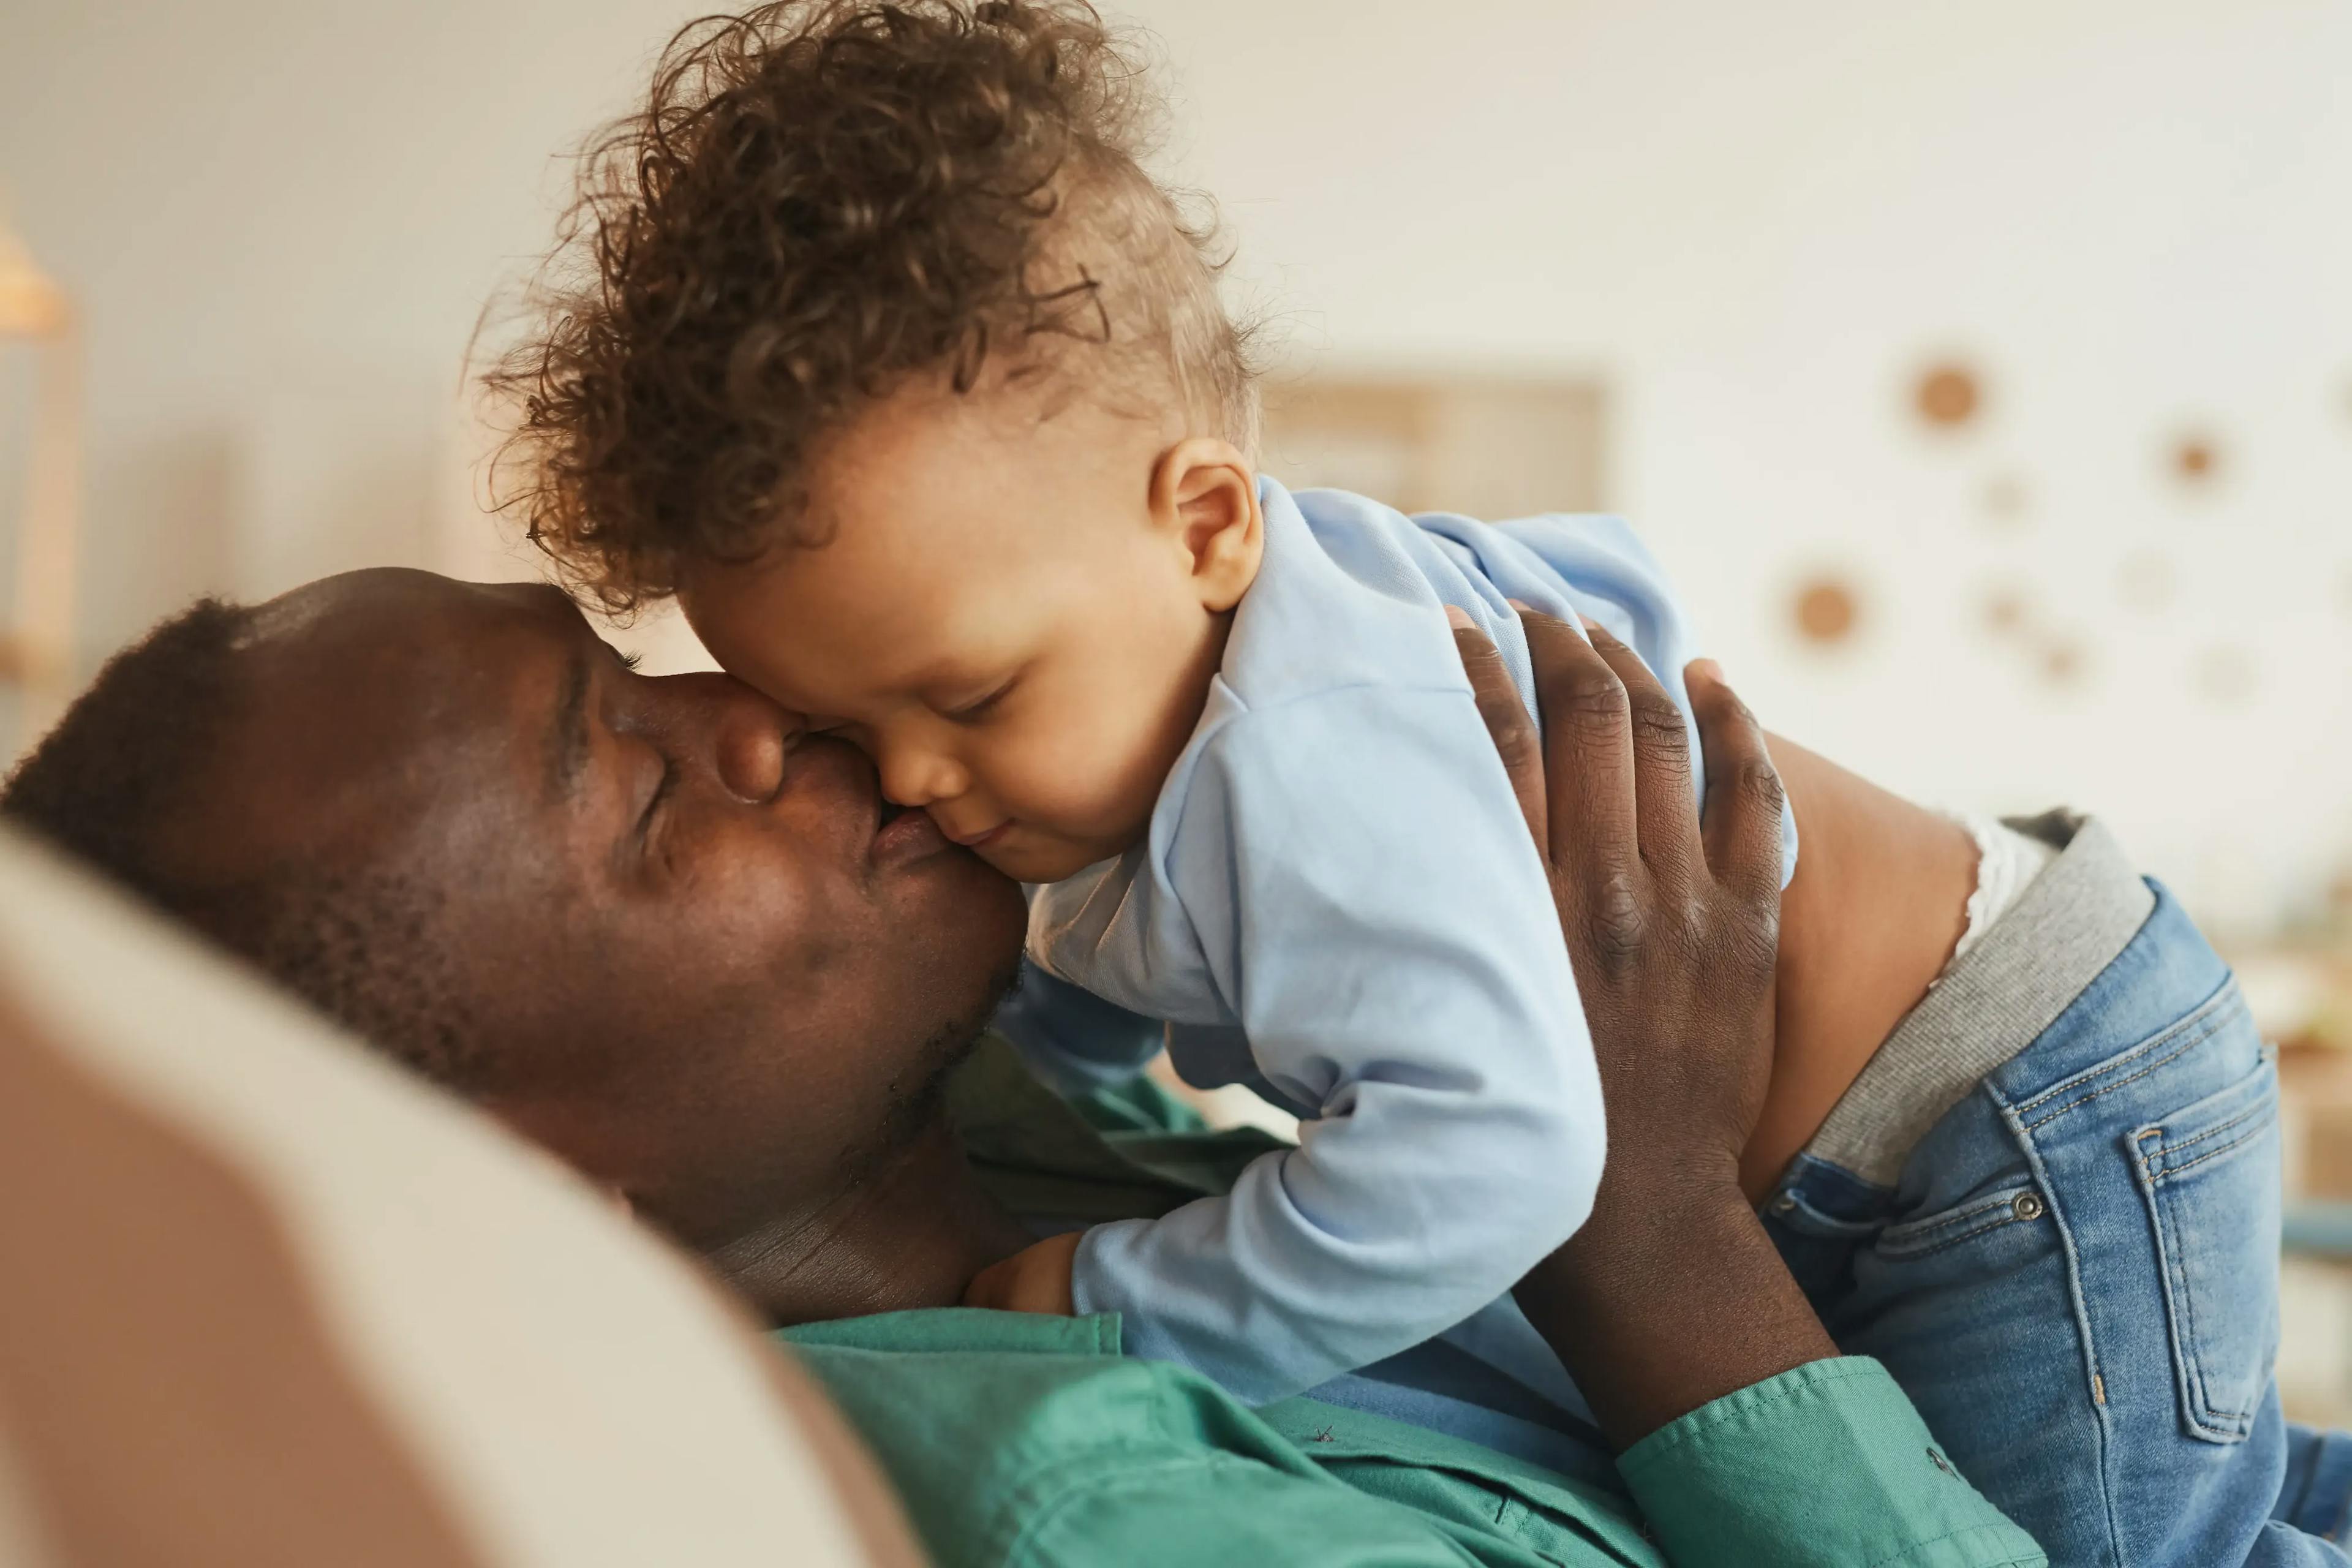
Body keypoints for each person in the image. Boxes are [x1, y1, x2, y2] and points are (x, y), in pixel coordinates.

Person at [486, 6, 2294, 1561]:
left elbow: (1500, 1157)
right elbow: (1120, 971)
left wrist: (1127, 1313)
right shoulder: (1161, 700)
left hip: (2005, 1105)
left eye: (968, 694)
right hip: (1945, 1100)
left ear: (1203, 521)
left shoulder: (1306, 751)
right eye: (842, 723)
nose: (913, 781)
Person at [1, 568, 2048, 1566]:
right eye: (632, 792)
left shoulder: (1005, 1127)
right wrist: (1638, 1207)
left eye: (637, 669)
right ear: (523, 1186)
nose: (751, 719)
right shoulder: (1085, 1515)